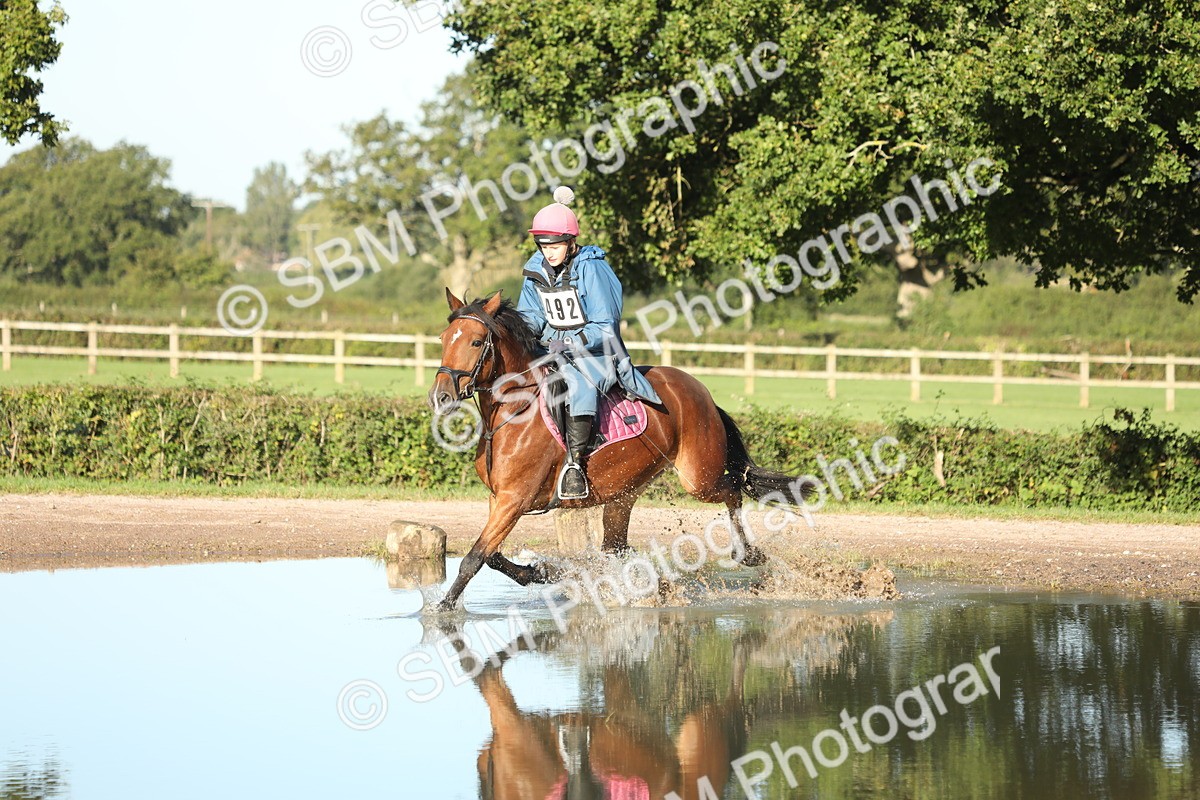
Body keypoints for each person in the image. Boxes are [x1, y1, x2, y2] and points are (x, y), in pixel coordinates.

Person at [516, 187, 661, 500]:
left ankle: (575, 465)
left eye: (555, 244)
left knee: (578, 385)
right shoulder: (535, 272)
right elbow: (531, 317)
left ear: (570, 242)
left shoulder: (593, 268)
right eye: (543, 244)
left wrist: (567, 341)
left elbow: (606, 325)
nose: (548, 251)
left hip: (596, 354)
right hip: (553, 352)